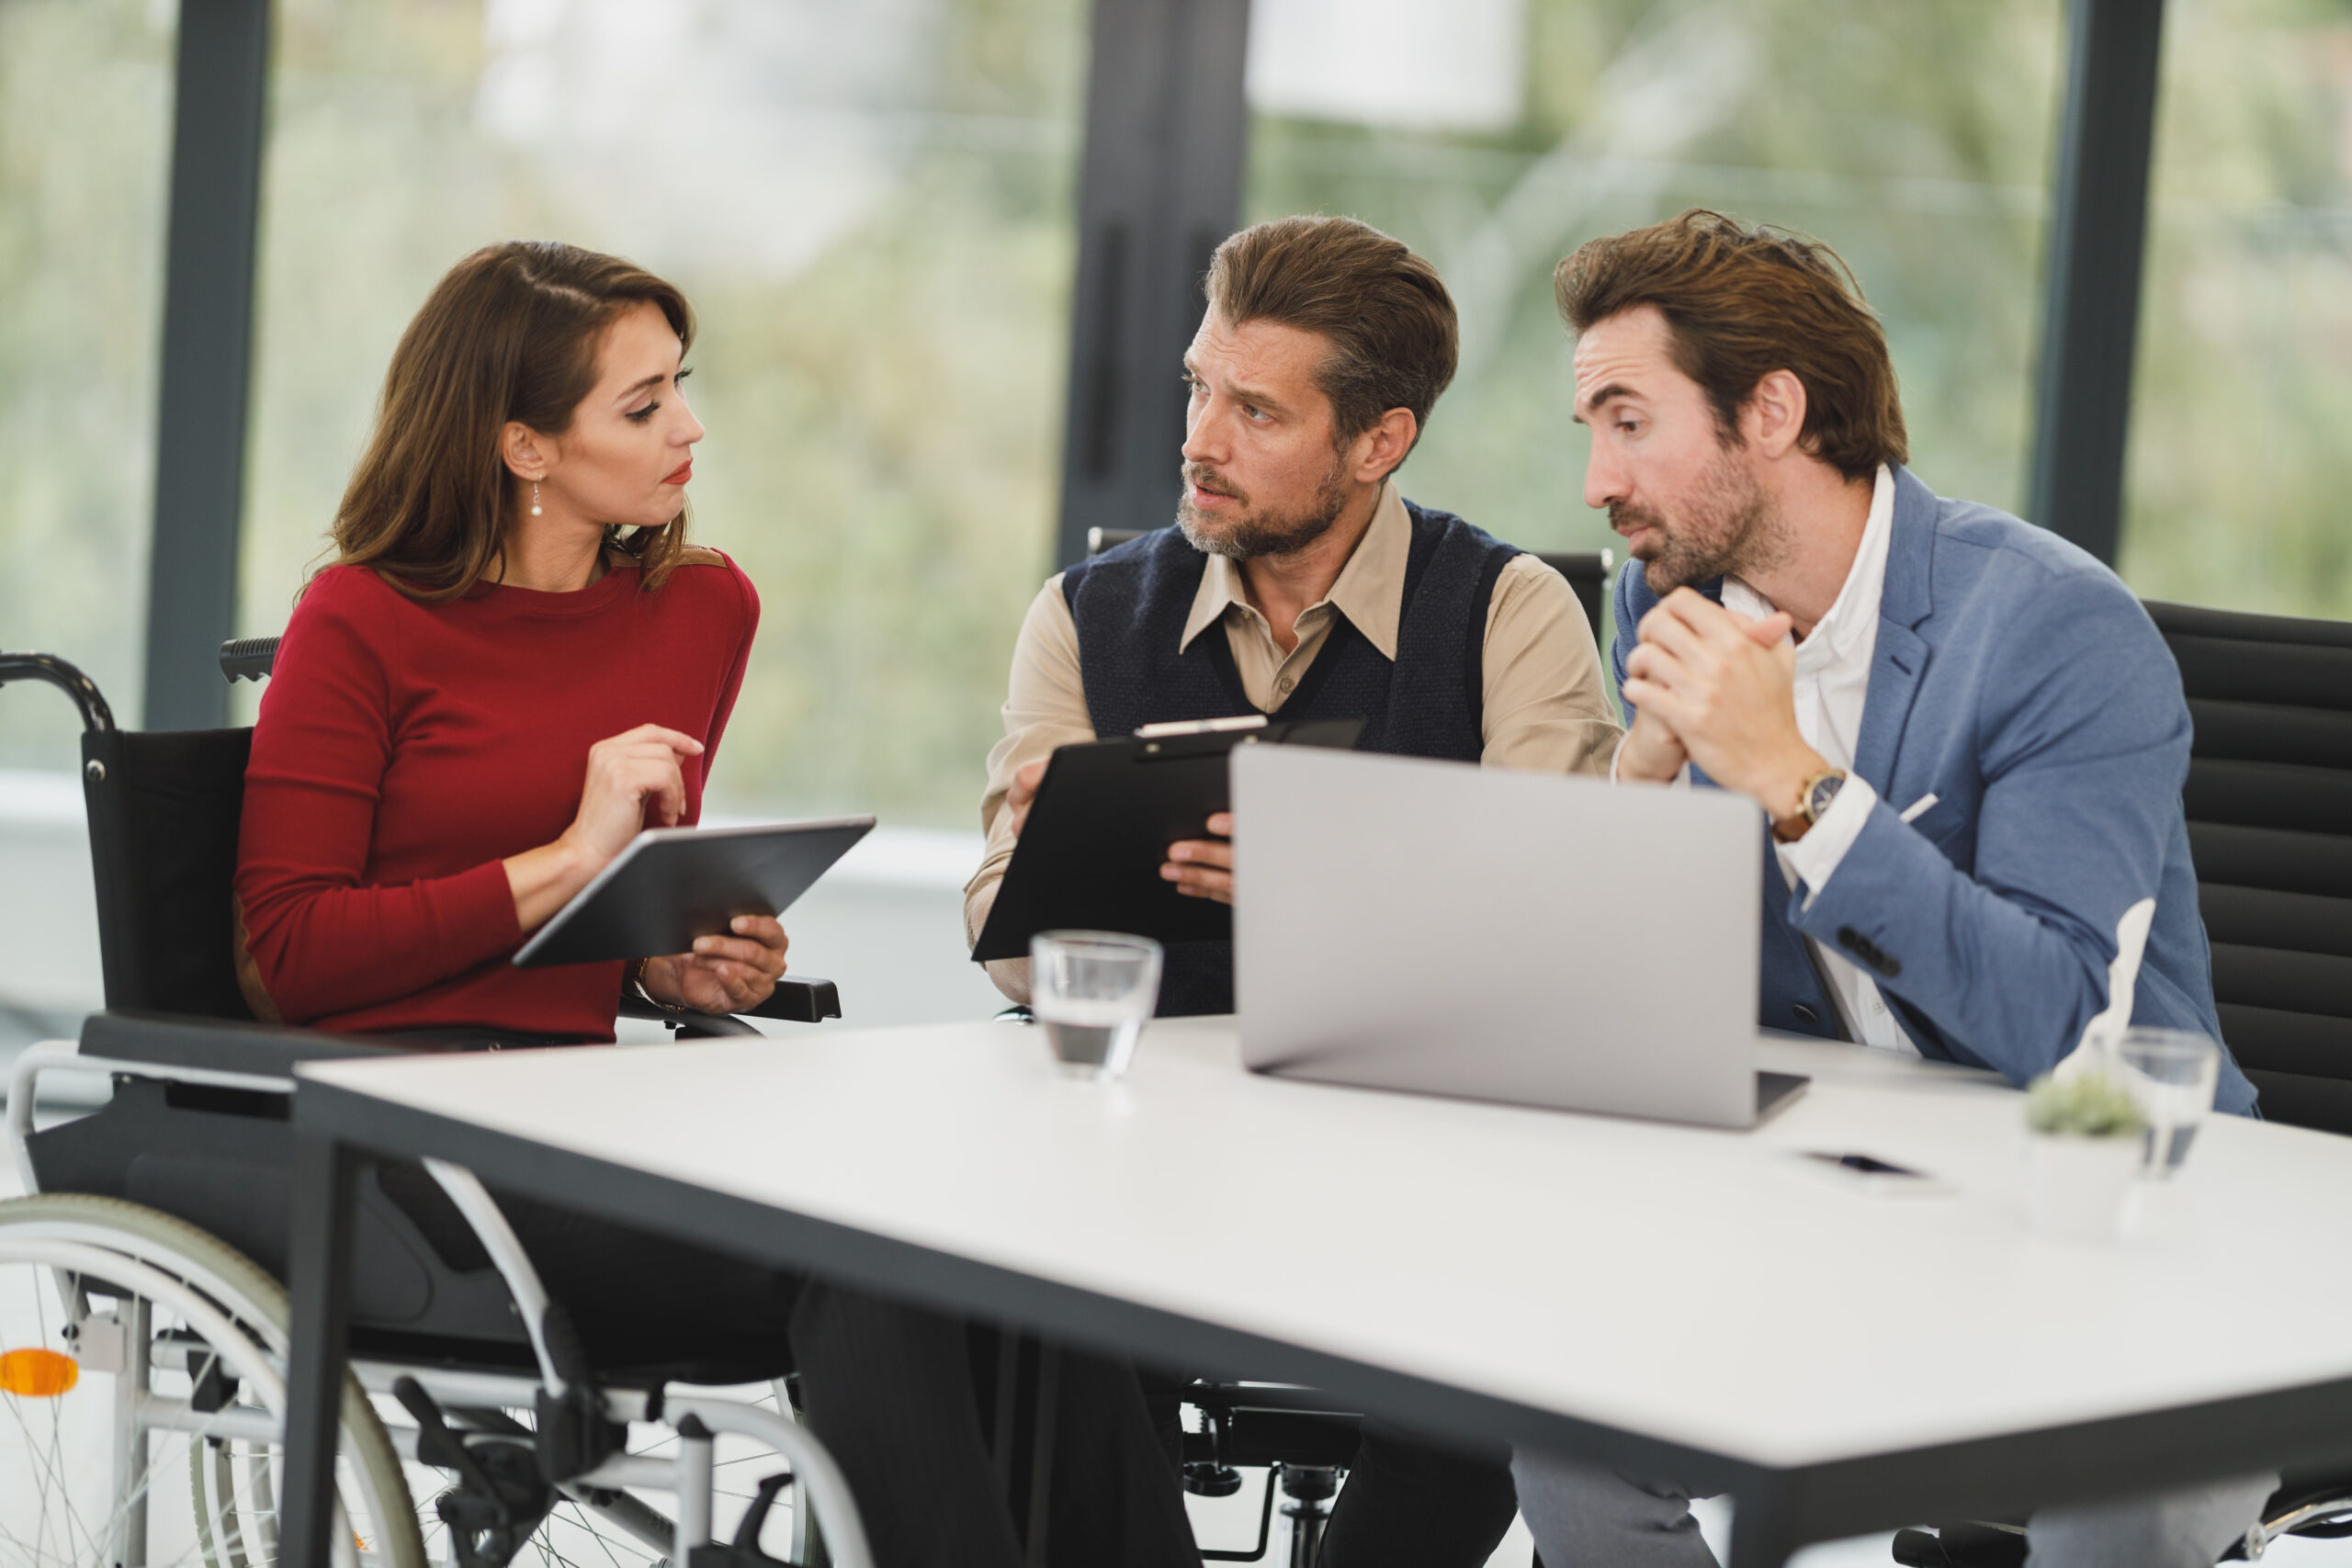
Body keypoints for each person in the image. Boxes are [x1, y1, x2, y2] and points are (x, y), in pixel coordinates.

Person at [233, 240, 1196, 1568]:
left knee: (995, 1231)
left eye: (681, 386)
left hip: (591, 1107)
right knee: (861, 1259)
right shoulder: (358, 621)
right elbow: (288, 955)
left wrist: (660, 962)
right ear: (522, 445)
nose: (690, 426)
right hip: (402, 1143)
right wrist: (569, 863)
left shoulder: (699, 610)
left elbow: (585, 930)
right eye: (642, 406)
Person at [1508, 209, 2270, 1567]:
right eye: (1590, 429)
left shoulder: (2053, 629)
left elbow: (2054, 1021)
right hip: (1843, 1189)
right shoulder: (1662, 604)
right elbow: (1642, 988)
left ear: (1774, 411)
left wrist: (1794, 781)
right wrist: (1641, 778)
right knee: (1572, 1433)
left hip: (2125, 1213)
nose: (1594, 482)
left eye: (1628, 422)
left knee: (2129, 1505)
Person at [966, 215, 1623, 1566]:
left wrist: (1333, 892)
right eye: (1199, 387)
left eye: (1256, 410)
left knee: (1489, 1340)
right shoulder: (1083, 618)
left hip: (1411, 1168)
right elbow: (1001, 950)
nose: (1201, 437)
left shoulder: (1509, 617)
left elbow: (1567, 945)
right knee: (1023, 1328)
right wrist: (1056, 867)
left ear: (1379, 442)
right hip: (1144, 1154)